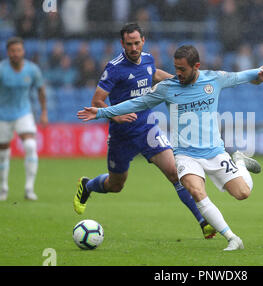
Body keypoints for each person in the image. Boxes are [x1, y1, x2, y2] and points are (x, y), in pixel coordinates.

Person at [77, 45, 263, 250]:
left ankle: (239, 161)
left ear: (196, 66)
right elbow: (136, 103)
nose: (178, 74)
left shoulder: (213, 79)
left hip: (214, 151)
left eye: (182, 69)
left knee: (242, 193)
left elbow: (243, 76)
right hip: (185, 155)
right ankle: (232, 238)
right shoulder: (167, 88)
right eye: (176, 68)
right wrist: (103, 113)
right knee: (196, 191)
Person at [73, 23, 217, 240]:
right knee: (116, 184)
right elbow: (97, 101)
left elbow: (152, 73)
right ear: (122, 44)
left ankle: (203, 221)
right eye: (129, 44)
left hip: (148, 128)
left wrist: (176, 82)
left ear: (143, 41)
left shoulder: (148, 59)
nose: (133, 47)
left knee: (175, 173)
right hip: (121, 134)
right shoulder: (114, 68)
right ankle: (88, 185)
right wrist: (116, 115)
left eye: (137, 43)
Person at [0, 36, 47, 201]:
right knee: (3, 153)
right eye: (12, 51)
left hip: (23, 112)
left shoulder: (32, 70)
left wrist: (43, 112)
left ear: (23, 51)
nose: (16, 53)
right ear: (8, 53)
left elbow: (41, 90)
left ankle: (29, 189)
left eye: (18, 50)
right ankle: (3, 187)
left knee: (30, 145)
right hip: (2, 115)